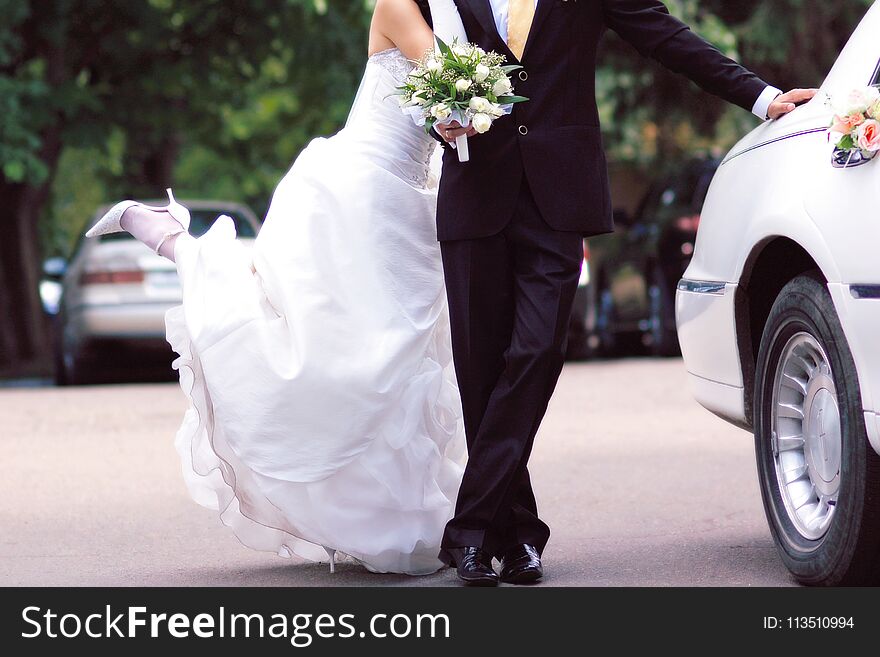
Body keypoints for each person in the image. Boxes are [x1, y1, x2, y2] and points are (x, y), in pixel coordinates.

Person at [431, 0, 816, 586]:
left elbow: (666, 38)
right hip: (473, 196)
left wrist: (762, 97)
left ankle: (470, 528)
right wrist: (433, 117)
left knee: (536, 354)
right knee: (479, 374)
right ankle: (513, 535)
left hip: (558, 197)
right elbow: (407, 72)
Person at [85, 0, 466, 576]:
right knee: (334, 359)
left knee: (397, 365)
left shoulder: (466, 20)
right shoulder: (398, 7)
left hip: (411, 203)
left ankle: (393, 520)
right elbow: (447, 76)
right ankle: (175, 243)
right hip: (358, 191)